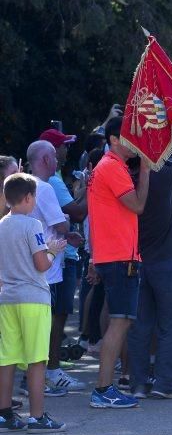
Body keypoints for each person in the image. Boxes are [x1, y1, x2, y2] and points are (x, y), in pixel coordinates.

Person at [86, 115, 151, 409]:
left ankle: (104, 389)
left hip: (117, 255)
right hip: (118, 257)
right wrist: (147, 169)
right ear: (114, 140)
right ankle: (102, 390)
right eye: (130, 136)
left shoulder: (110, 166)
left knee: (121, 321)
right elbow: (138, 205)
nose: (135, 141)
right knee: (119, 323)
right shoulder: (112, 166)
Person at [127, 126, 172, 400]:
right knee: (170, 324)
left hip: (134, 261)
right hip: (165, 260)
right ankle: (165, 384)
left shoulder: (123, 181)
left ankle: (139, 384)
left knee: (140, 326)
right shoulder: (162, 174)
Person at [0, 173, 67, 432]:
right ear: (28, 198)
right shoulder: (33, 225)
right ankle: (37, 416)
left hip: (7, 299)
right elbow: (41, 265)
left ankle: (4, 413)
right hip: (33, 299)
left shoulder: (1, 225)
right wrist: (52, 249)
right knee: (37, 359)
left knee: (7, 358)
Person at [26, 140, 85, 394]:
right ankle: (37, 382)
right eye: (55, 156)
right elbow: (61, 225)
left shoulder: (22, 184)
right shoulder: (45, 187)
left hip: (27, 266)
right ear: (47, 160)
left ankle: (32, 380)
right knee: (43, 328)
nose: (59, 161)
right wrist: (66, 224)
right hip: (46, 269)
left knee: (30, 330)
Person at [39, 128, 89, 392]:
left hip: (56, 258)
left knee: (56, 316)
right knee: (55, 318)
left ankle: (46, 372)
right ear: (49, 153)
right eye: (62, 146)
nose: (65, 151)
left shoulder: (51, 180)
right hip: (56, 261)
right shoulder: (50, 183)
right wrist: (90, 190)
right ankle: (49, 372)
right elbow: (75, 215)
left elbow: (71, 214)